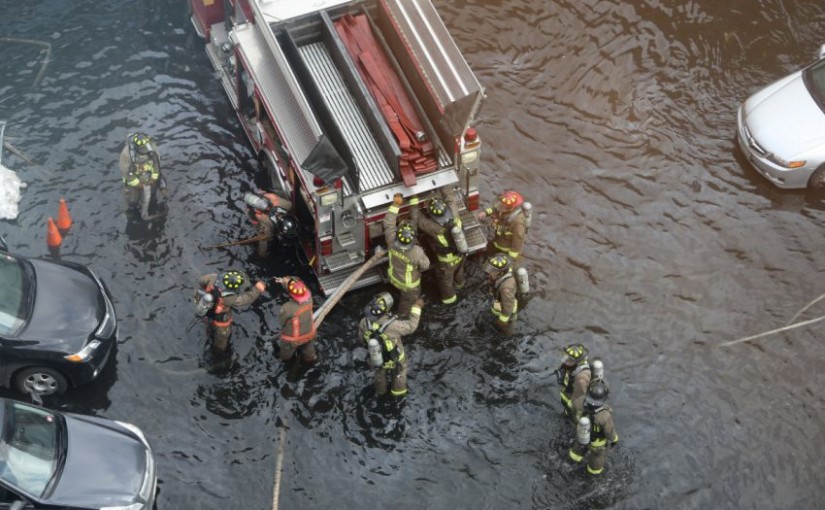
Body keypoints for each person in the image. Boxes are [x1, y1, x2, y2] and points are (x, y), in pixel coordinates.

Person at [357, 292, 423, 397]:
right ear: (386, 310)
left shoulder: (363, 322)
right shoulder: (393, 326)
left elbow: (361, 339)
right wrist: (417, 308)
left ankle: (380, 392)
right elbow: (411, 326)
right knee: (399, 374)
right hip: (395, 359)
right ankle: (398, 394)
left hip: (377, 358)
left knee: (379, 375)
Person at [195, 270, 266, 352]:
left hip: (207, 310)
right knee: (222, 337)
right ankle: (219, 351)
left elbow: (202, 281)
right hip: (220, 319)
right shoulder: (230, 298)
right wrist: (257, 289)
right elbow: (246, 298)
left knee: (208, 324)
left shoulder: (213, 277)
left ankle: (208, 332)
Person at [384, 194, 430, 316]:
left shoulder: (391, 240)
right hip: (409, 287)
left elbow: (388, 223)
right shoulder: (417, 252)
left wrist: (395, 205)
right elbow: (425, 266)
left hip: (393, 278)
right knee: (407, 305)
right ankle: (402, 317)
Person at [415, 196, 465, 304]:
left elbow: (418, 218)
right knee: (459, 272)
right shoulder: (455, 215)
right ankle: (460, 286)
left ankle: (450, 302)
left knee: (445, 281)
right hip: (461, 254)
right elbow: (451, 199)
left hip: (447, 263)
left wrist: (414, 200)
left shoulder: (434, 228)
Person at [568, 379, 619, 475]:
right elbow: (609, 432)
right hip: (597, 446)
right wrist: (615, 440)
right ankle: (591, 478)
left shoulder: (578, 402)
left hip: (581, 437)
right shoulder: (604, 415)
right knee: (596, 466)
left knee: (575, 454)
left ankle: (570, 464)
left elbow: (573, 415)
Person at [118, 132, 165, 219]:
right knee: (132, 201)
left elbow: (156, 165)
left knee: (152, 197)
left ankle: (151, 209)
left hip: (149, 179)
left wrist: (153, 179)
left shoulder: (153, 149)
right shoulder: (126, 154)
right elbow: (125, 171)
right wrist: (137, 184)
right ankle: (131, 214)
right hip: (134, 183)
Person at [476, 190, 528, 265]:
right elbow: (495, 209)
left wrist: (510, 258)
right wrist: (485, 213)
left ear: (510, 208)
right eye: (501, 204)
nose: (500, 206)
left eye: (502, 206)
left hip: (504, 249)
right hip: (496, 241)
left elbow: (518, 240)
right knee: (486, 254)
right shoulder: (504, 208)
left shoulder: (518, 222)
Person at [275, 277, 317, 364]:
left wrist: (285, 282)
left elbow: (281, 322)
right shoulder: (309, 298)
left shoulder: (287, 307)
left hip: (293, 340)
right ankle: (310, 359)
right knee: (308, 350)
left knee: (285, 355)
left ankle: (285, 362)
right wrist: (284, 282)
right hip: (309, 332)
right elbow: (298, 285)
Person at [244, 191, 294, 258]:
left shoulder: (287, 204)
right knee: (263, 233)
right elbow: (264, 240)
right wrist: (262, 254)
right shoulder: (267, 224)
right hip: (258, 216)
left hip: (262, 205)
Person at [555, 343, 591, 422]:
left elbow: (579, 398)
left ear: (577, 361)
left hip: (573, 405)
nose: (566, 361)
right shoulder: (571, 366)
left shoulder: (581, 377)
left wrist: (571, 408)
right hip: (568, 394)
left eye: (569, 359)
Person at [484, 253, 518, 334]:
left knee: (506, 331)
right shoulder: (505, 272)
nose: (490, 272)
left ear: (501, 273)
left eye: (493, 271)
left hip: (507, 313)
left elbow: (508, 307)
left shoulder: (506, 288)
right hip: (500, 304)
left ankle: (508, 335)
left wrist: (502, 321)